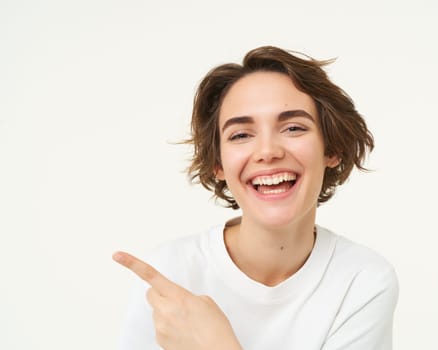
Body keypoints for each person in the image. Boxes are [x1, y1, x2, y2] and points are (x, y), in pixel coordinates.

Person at [113, 46, 398, 350]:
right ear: (218, 163)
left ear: (332, 149)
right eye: (241, 135)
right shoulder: (170, 274)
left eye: (293, 128)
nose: (268, 151)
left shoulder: (363, 280)